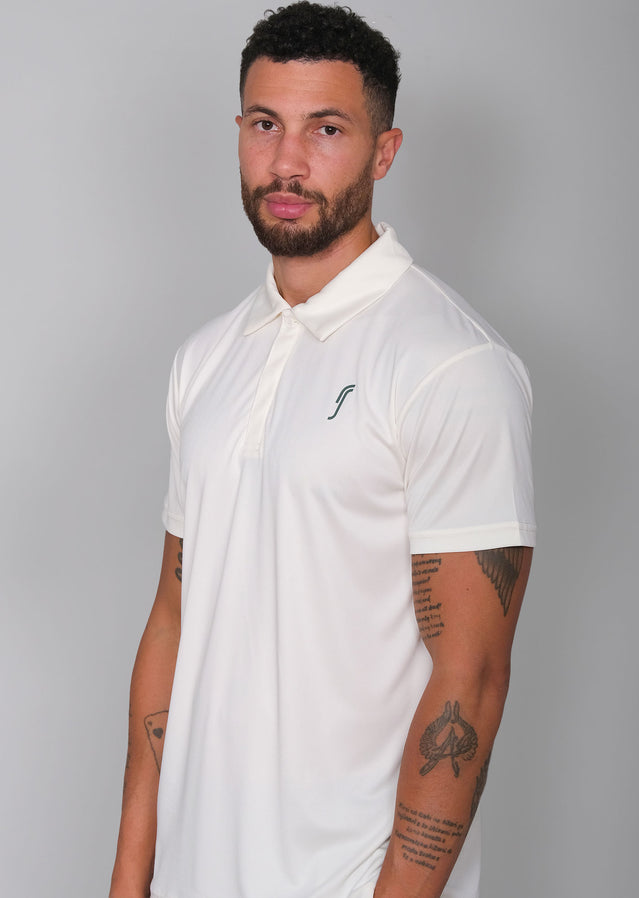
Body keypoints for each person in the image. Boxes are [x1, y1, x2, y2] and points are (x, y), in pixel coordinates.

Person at [109, 3, 535, 897]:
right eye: (266, 125)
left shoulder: (450, 366)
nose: (287, 162)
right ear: (238, 133)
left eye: (327, 130)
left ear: (385, 152)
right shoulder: (205, 360)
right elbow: (173, 622)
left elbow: (472, 679)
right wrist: (129, 879)